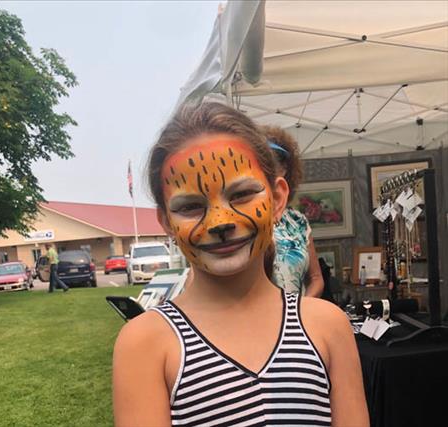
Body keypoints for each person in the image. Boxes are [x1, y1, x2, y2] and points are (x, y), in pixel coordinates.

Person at [113, 102, 369, 427]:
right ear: (165, 221)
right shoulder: (147, 343)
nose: (221, 221)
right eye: (191, 206)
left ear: (277, 199)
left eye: (242, 194)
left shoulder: (327, 326)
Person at [262, 125, 324, 297]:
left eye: (277, 163)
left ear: (285, 170)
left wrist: (299, 311)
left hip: (296, 319)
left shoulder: (298, 222)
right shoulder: (242, 220)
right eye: (263, 162)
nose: (269, 169)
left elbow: (316, 278)